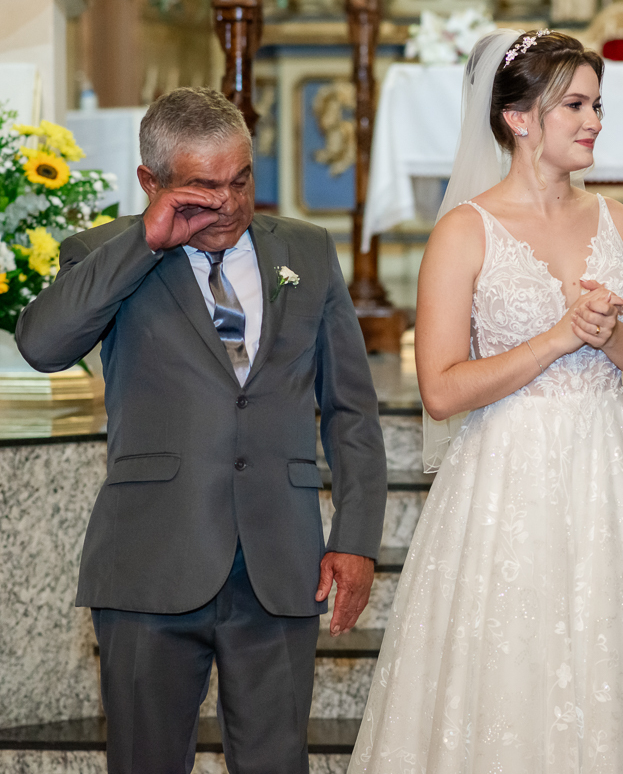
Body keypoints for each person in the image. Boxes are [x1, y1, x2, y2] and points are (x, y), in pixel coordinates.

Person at [349, 29, 623, 773]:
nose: (594, 120)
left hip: (607, 464)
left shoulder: (618, 223)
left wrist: (606, 338)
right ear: (518, 117)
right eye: (574, 104)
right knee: (513, 668)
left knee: (616, 661)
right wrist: (560, 335)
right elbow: (440, 389)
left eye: (597, 104)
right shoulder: (463, 232)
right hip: (506, 474)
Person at [15, 87, 388, 773]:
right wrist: (145, 242)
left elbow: (352, 411)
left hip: (280, 567)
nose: (227, 203)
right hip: (148, 565)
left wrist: (358, 539)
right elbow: (41, 345)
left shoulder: (306, 251)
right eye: (202, 187)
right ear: (150, 182)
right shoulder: (103, 253)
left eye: (240, 180)